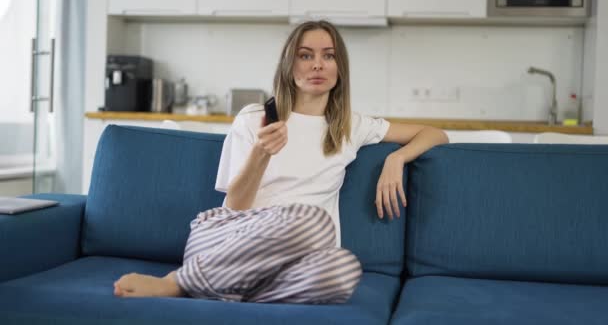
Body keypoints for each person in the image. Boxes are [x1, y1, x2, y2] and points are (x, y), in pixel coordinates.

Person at [113, 20, 448, 303]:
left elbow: (436, 133)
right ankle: (178, 282)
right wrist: (261, 153)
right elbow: (235, 207)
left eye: (328, 56)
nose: (318, 64)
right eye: (306, 55)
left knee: (343, 268)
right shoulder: (253, 119)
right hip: (224, 242)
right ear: (290, 66)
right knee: (313, 221)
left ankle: (229, 291)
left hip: (297, 260)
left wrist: (397, 159)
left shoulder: (351, 127)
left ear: (339, 69)